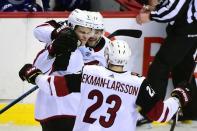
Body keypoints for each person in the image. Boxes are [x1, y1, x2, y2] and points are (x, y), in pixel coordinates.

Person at [19, 40, 191, 131]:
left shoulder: (90, 72)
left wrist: (34, 75)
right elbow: (160, 114)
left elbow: (54, 86)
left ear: (107, 56)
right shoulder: (138, 83)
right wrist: (178, 96)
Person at [32, 9, 94, 131]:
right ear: (72, 28)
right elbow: (38, 31)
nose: (86, 36)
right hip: (59, 109)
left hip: (68, 108)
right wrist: (57, 36)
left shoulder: (80, 48)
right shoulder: (63, 44)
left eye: (88, 32)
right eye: (82, 32)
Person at [136, 0, 197, 120]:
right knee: (183, 69)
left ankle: (153, 112)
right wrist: (154, 8)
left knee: (159, 67)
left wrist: (150, 16)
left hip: (186, 28)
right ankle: (191, 112)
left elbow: (174, 10)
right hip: (189, 28)